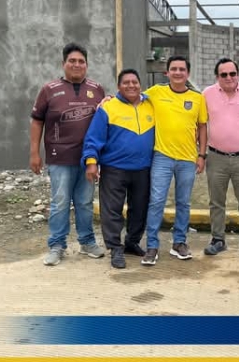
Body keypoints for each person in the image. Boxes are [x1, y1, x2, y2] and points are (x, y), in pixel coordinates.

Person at [29, 42, 106, 266]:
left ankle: (87, 242)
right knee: (60, 202)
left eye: (81, 61)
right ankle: (57, 245)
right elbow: (37, 121)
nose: (76, 64)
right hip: (59, 158)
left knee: (84, 202)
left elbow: (104, 122)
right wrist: (34, 153)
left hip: (88, 160)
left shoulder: (97, 89)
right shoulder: (49, 89)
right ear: (64, 63)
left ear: (87, 65)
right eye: (72, 60)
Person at [81, 69, 155, 269]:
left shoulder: (151, 105)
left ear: (140, 85)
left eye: (134, 82)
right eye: (126, 82)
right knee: (112, 210)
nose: (131, 85)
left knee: (140, 208)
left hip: (143, 168)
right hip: (114, 168)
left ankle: (132, 242)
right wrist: (91, 162)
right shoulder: (108, 108)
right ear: (118, 87)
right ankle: (115, 248)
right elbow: (93, 138)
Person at [141, 56, 208, 266]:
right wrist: (109, 98)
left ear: (188, 73)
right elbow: (132, 97)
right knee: (156, 201)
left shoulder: (197, 98)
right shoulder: (155, 92)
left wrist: (202, 155)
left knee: (183, 202)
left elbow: (202, 126)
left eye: (182, 69)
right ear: (167, 73)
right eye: (174, 69)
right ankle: (152, 246)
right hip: (162, 156)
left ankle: (179, 242)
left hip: (188, 158)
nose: (178, 72)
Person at [202, 58, 239, 257]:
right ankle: (218, 239)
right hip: (216, 156)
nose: (229, 77)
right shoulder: (207, 94)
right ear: (217, 76)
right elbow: (200, 122)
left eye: (232, 73)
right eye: (224, 74)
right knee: (216, 201)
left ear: (238, 74)